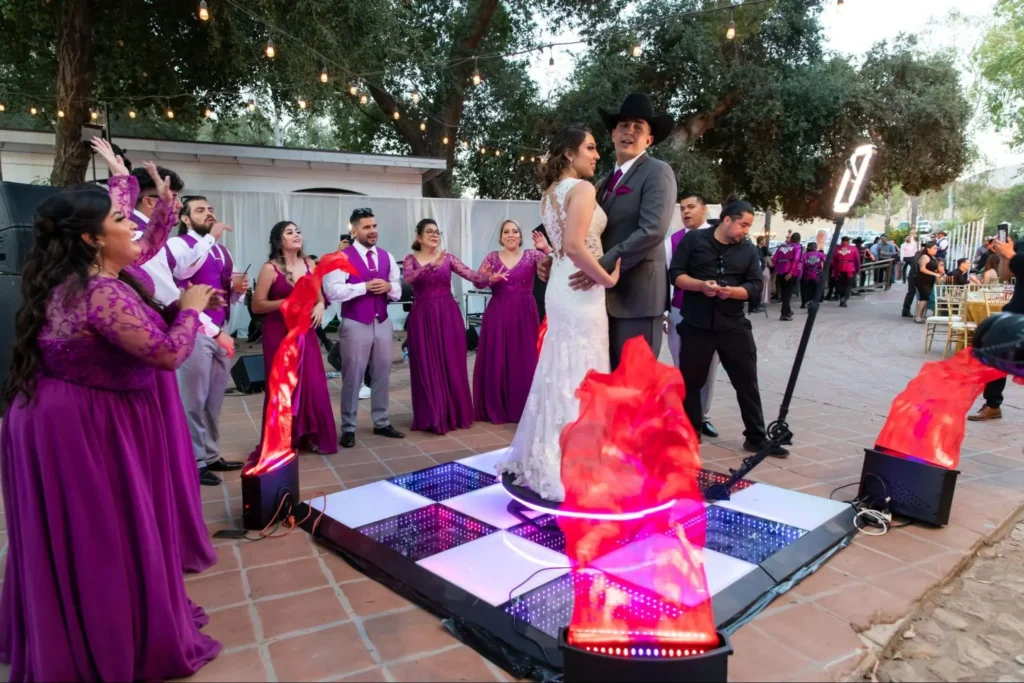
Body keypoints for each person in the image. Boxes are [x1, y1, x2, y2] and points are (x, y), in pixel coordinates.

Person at [0, 168, 221, 681]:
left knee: (80, 536)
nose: (134, 229)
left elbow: (145, 248)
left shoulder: (77, 281)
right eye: (123, 219)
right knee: (102, 536)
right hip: (85, 424)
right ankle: (110, 639)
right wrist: (189, 309)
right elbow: (166, 354)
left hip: (59, 417)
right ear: (92, 237)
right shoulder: (103, 292)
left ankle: (71, 628)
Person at [497, 125, 621, 501]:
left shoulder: (549, 194)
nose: (597, 155)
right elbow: (575, 245)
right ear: (569, 154)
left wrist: (556, 261)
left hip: (561, 284)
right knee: (583, 368)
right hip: (581, 289)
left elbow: (561, 249)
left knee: (560, 368)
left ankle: (552, 453)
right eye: (590, 147)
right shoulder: (582, 189)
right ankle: (577, 461)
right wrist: (608, 277)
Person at [565, 93, 677, 369]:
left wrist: (597, 268)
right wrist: (553, 258)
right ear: (613, 134)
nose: (630, 131)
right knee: (609, 384)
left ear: (649, 140)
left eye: (638, 127)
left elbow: (652, 231)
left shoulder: (657, 172)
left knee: (635, 387)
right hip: (603, 300)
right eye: (623, 126)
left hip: (639, 299)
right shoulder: (603, 182)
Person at [669, 199, 787, 457]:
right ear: (727, 220)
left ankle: (756, 437)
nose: (746, 230)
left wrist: (734, 292)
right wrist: (701, 286)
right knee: (690, 383)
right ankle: (689, 435)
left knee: (747, 382)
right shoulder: (694, 241)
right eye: (743, 224)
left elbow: (756, 286)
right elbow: (675, 274)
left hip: (734, 326)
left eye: (749, 226)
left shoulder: (747, 249)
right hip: (697, 325)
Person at [172, 197, 247, 486]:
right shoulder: (179, 246)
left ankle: (211, 454)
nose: (209, 214)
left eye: (211, 209)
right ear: (186, 219)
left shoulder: (223, 251)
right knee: (192, 399)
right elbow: (183, 272)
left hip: (222, 328)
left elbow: (228, 289)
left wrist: (238, 290)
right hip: (195, 329)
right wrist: (210, 240)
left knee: (215, 397)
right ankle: (194, 459)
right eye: (201, 210)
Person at [402, 219, 502, 434]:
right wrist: (431, 265)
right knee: (426, 364)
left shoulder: (448, 258)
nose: (434, 235)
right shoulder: (411, 259)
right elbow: (409, 278)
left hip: (448, 314)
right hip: (423, 316)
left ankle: (455, 414)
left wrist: (488, 276)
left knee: (451, 362)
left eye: (437, 231)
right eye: (429, 231)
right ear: (418, 237)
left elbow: (473, 276)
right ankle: (432, 415)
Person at [249, 222, 337, 455]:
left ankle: (310, 434)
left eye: (298, 231)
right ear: (279, 240)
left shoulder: (310, 264)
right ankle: (282, 439)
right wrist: (286, 303)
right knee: (283, 386)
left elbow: (319, 298)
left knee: (312, 382)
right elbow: (257, 305)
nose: (297, 234)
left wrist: (319, 307)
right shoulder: (269, 269)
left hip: (305, 331)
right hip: (278, 332)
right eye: (290, 232)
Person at [323, 208, 404, 448]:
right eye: (367, 227)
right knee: (353, 375)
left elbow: (398, 289)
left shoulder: (386, 256)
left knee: (382, 373)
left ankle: (382, 421)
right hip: (356, 322)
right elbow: (333, 291)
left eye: (374, 226)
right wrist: (363, 287)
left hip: (382, 321)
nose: (373, 231)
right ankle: (348, 427)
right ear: (354, 230)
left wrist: (388, 286)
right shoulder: (340, 258)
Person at [473, 220, 548, 424]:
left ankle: (523, 405)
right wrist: (490, 280)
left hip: (525, 313)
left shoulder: (533, 255)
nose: (511, 235)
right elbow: (477, 282)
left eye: (515, 231)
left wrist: (547, 249)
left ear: (520, 236)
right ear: (501, 237)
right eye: (506, 232)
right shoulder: (492, 257)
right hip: (499, 312)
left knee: (523, 356)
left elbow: (560, 263)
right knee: (498, 356)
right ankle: (497, 404)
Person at [666, 193, 719, 437]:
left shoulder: (719, 236)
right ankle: (684, 416)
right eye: (682, 208)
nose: (686, 212)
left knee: (708, 367)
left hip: (711, 313)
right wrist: (666, 311)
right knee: (681, 366)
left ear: (704, 209)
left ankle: (703, 415)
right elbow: (667, 278)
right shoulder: (673, 241)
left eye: (691, 207)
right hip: (679, 311)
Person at [969, 237, 1023, 421]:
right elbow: (1005, 275)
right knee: (996, 358)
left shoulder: (1016, 251)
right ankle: (992, 405)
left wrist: (1012, 255)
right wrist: (1005, 257)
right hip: (1016, 310)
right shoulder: (1021, 244)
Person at [772, 232, 803, 321]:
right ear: (799, 240)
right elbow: (796, 259)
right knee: (787, 294)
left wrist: (778, 269)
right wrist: (791, 272)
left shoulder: (781, 246)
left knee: (784, 292)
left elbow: (774, 259)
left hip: (780, 272)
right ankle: (785, 314)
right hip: (790, 271)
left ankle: (787, 311)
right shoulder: (797, 247)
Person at [913, 242, 941, 323]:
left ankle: (920, 316)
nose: (936, 250)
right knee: (923, 298)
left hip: (929, 280)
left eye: (936, 248)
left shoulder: (932, 257)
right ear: (928, 249)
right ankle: (918, 316)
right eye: (934, 248)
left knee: (925, 298)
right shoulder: (925, 257)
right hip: (922, 280)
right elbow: (922, 269)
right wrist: (935, 274)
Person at [832, 236, 861, 307]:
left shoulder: (836, 249)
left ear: (842, 241)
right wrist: (858, 270)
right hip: (850, 269)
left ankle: (842, 300)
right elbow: (857, 260)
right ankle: (845, 298)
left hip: (839, 268)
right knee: (848, 285)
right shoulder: (853, 249)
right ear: (848, 241)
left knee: (840, 285)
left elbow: (833, 261)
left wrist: (835, 270)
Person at [800, 242, 825, 308]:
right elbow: (825, 262)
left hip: (806, 274)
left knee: (805, 290)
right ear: (816, 248)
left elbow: (801, 265)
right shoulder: (820, 254)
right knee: (816, 289)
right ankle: (814, 302)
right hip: (817, 274)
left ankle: (804, 303)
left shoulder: (804, 255)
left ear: (808, 247)